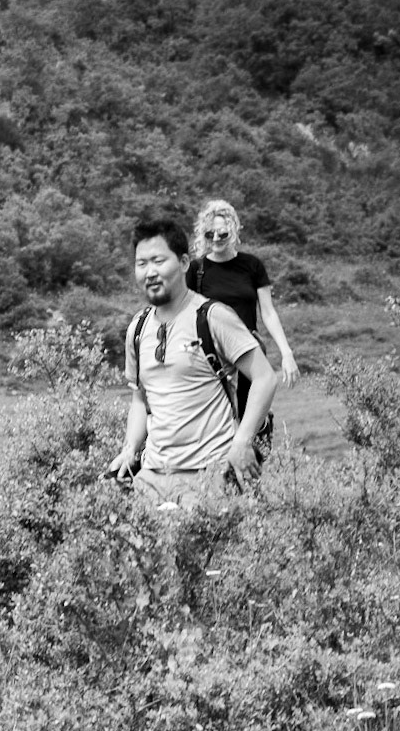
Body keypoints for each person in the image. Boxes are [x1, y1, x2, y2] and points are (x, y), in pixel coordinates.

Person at [108, 217, 277, 507]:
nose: (150, 272)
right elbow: (139, 398)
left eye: (159, 261)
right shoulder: (138, 328)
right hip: (151, 477)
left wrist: (242, 442)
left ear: (184, 262)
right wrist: (129, 449)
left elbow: (265, 378)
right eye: (141, 264)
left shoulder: (212, 317)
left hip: (208, 477)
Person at [188, 200, 300, 393]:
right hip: (213, 358)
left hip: (248, 352)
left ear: (233, 231)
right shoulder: (196, 269)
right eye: (210, 234)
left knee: (253, 408)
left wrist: (286, 353)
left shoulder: (252, 265)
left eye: (222, 233)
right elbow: (185, 316)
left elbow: (268, 313)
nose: (216, 238)